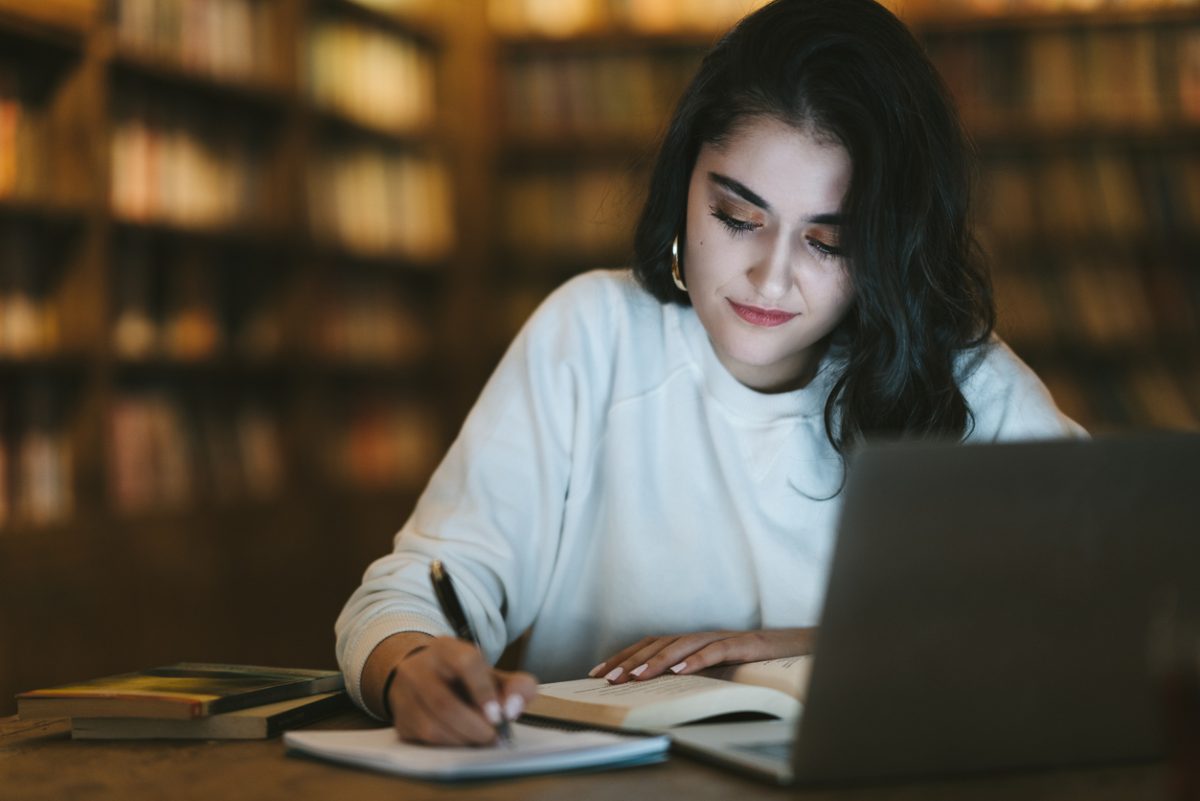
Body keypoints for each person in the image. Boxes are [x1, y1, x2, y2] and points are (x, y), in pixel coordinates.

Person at [335, 0, 1085, 746]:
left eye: (827, 242)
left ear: (890, 246)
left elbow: (1108, 607)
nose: (770, 277)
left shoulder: (963, 381)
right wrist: (411, 666)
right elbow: (412, 592)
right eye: (736, 217)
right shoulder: (594, 335)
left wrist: (803, 642)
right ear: (685, 180)